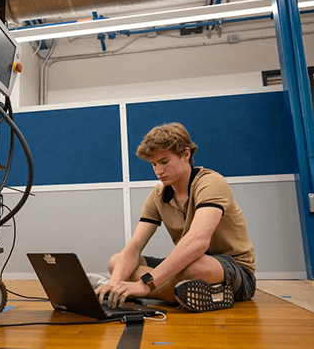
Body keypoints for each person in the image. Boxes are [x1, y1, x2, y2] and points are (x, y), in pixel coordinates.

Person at [93, 123, 256, 312]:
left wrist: (145, 285)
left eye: (164, 162)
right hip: (187, 264)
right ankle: (202, 293)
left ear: (185, 154)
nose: (158, 170)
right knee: (116, 262)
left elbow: (197, 243)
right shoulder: (158, 194)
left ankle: (145, 291)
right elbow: (135, 245)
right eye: (153, 164)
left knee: (196, 268)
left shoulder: (211, 183)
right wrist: (114, 282)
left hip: (234, 270)